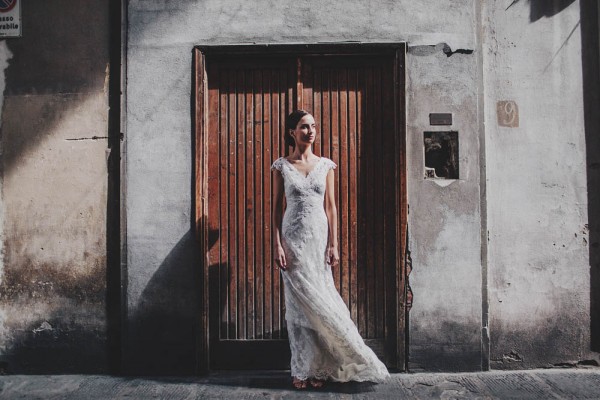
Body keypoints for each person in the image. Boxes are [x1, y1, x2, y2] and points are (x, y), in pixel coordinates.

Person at [271, 110, 390, 389]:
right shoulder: (282, 166)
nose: (310, 131)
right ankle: (302, 368)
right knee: (299, 307)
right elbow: (276, 208)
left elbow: (331, 207)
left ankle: (323, 367)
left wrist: (334, 243)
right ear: (292, 132)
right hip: (293, 241)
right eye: (303, 127)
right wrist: (276, 243)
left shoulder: (326, 166)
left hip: (318, 240)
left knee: (321, 300)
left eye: (312, 126)